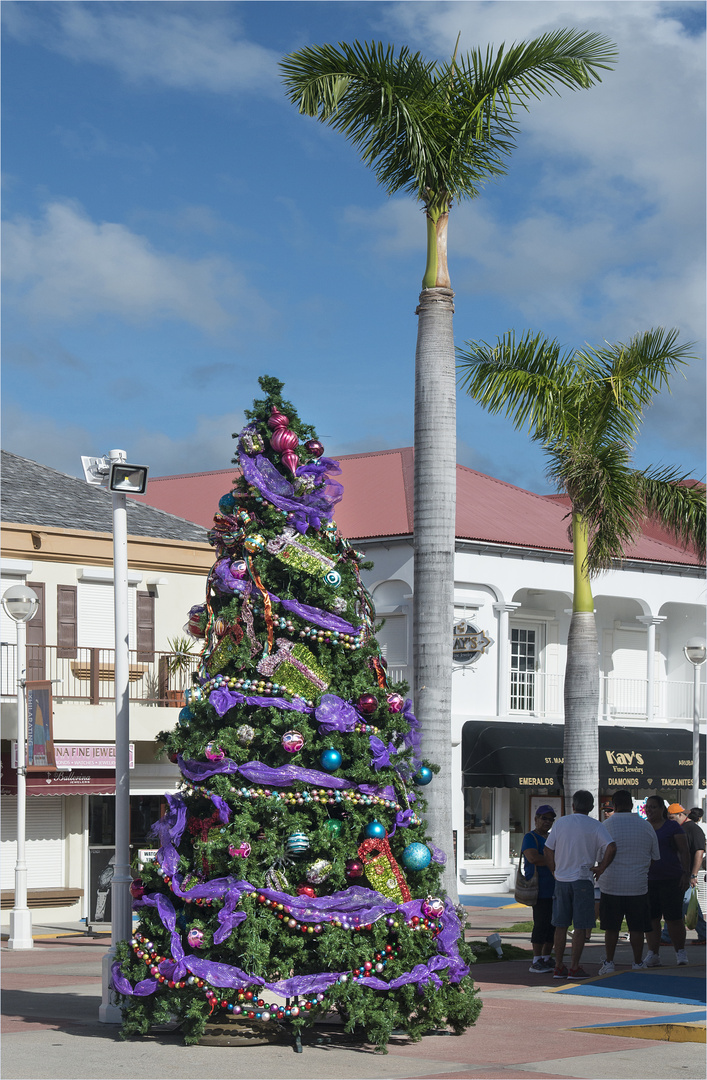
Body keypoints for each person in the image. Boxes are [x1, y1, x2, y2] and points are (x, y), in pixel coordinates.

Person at [544, 790, 616, 980]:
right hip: (583, 879)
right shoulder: (595, 825)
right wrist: (601, 868)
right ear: (591, 807)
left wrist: (554, 870)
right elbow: (611, 846)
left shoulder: (561, 823)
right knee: (581, 926)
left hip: (562, 879)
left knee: (560, 925)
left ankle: (559, 965)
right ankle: (574, 966)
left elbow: (548, 849)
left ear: (573, 805)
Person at [596, 790, 659, 974]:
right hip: (637, 886)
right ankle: (638, 962)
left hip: (611, 885)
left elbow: (600, 856)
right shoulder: (646, 826)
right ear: (632, 805)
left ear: (614, 806)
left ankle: (609, 962)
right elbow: (655, 856)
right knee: (637, 928)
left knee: (611, 928)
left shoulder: (606, 825)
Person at [643, 795, 690, 967]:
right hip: (648, 879)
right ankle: (653, 954)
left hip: (671, 878)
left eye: (653, 807)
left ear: (662, 809)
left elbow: (684, 851)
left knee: (674, 918)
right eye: (648, 807)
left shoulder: (672, 827)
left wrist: (687, 874)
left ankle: (680, 952)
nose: (650, 810)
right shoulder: (644, 826)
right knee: (652, 918)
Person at [661, 803, 706, 946]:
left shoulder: (693, 829)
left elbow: (699, 852)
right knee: (691, 907)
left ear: (681, 815)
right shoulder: (678, 828)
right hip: (678, 874)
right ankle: (704, 934)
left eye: (672, 817)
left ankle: (667, 936)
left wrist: (693, 875)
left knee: (677, 906)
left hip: (686, 875)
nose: (670, 820)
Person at [521, 805, 557, 973]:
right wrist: (554, 861)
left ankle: (547, 957)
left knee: (553, 925)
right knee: (541, 923)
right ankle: (536, 959)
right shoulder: (530, 837)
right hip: (539, 889)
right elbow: (533, 857)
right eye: (544, 818)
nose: (547, 822)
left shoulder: (552, 838)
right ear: (536, 819)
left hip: (555, 888)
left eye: (551, 819)